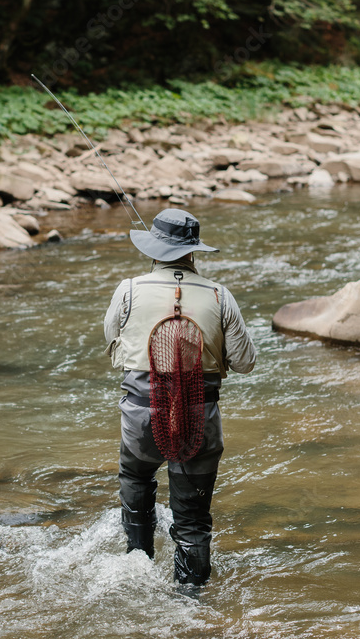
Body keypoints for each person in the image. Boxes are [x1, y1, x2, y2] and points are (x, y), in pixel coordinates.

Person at [104, 208, 256, 587]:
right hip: (197, 420)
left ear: (154, 248)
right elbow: (246, 362)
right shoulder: (220, 296)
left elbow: (112, 343)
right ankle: (192, 601)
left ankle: (136, 570)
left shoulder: (128, 290)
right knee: (192, 521)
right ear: (193, 251)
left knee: (136, 479)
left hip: (142, 417)